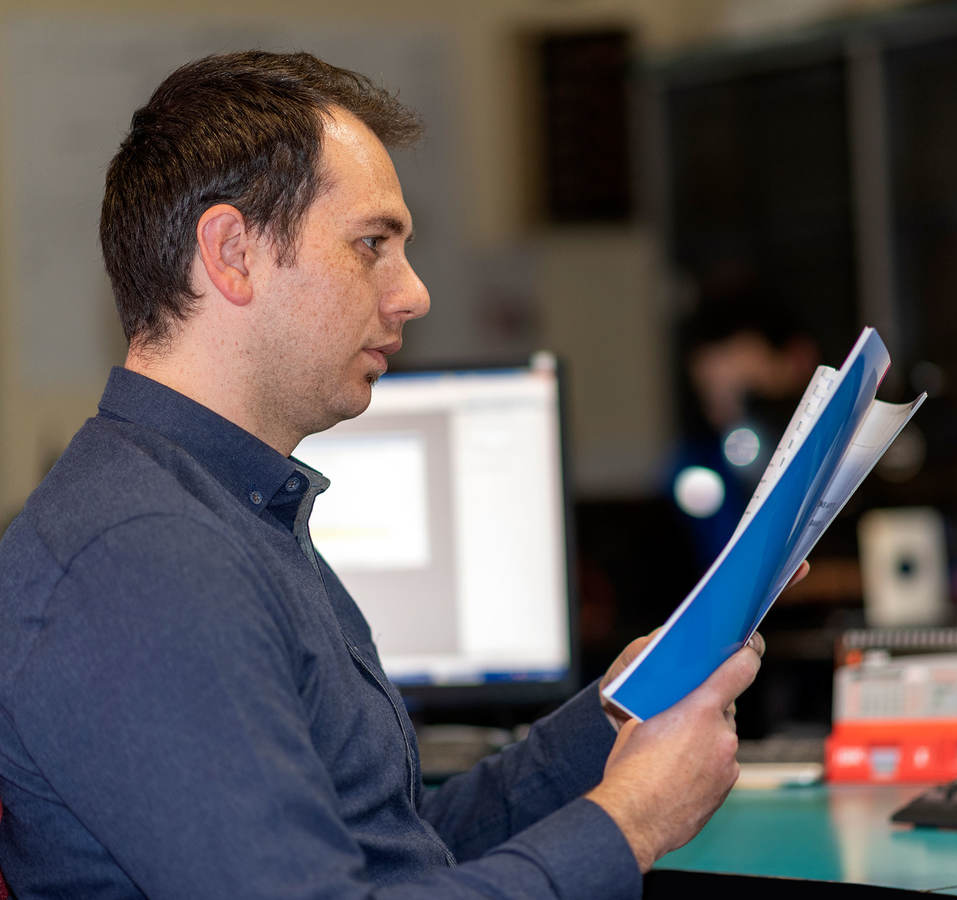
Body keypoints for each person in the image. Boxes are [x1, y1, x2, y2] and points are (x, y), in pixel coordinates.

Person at [0, 51, 804, 898]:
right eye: (372, 244)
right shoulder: (140, 559)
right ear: (232, 252)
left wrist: (616, 715)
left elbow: (398, 850)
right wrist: (631, 822)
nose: (413, 294)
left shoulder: (227, 510)